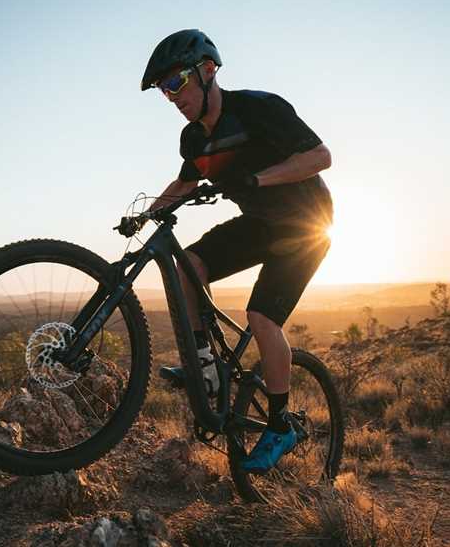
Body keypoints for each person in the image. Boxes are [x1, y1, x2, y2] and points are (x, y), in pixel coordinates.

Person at [141, 29, 333, 473]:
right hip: (260, 226)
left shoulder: (260, 108)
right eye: (162, 89)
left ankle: (281, 425)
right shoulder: (195, 140)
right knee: (188, 263)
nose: (171, 96)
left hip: (306, 225)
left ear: (208, 72)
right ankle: (205, 369)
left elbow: (320, 157)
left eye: (176, 83)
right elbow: (185, 183)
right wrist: (144, 216)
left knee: (262, 317)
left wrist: (257, 180)